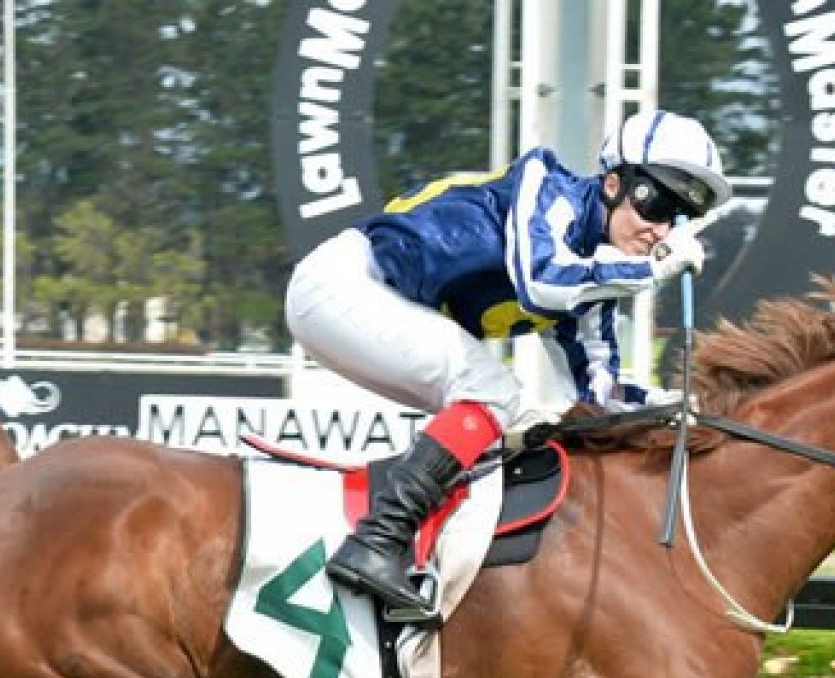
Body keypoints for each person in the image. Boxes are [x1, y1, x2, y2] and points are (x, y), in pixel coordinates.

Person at [284, 108, 731, 622]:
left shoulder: (594, 287)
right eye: (655, 203)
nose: (660, 230)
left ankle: (437, 564)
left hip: (372, 307)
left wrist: (682, 406)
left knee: (513, 418)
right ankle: (377, 541)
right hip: (344, 285)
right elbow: (543, 278)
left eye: (679, 218)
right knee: (494, 391)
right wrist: (648, 270)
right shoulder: (546, 189)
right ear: (611, 183)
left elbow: (600, 395)